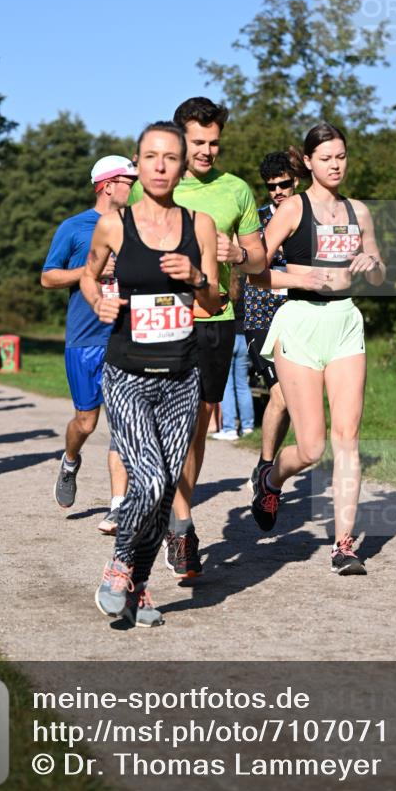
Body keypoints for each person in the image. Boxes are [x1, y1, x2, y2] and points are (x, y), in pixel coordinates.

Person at [81, 121, 220, 626]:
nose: (160, 166)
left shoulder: (199, 224)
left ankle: (137, 588)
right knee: (151, 475)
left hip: (182, 376)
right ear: (137, 166)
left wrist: (198, 277)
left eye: (170, 158)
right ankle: (119, 565)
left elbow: (214, 299)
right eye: (151, 157)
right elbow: (89, 275)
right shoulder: (115, 225)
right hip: (127, 373)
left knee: (162, 489)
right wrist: (98, 301)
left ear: (182, 167)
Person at [130, 97, 266, 577]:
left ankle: (178, 522)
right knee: (156, 422)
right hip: (159, 321)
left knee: (195, 426)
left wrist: (238, 253)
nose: (207, 152)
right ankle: (166, 512)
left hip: (214, 319)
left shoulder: (235, 191)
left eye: (214, 143)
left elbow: (260, 260)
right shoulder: (151, 186)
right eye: (198, 142)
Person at [254, 123, 385, 574]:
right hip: (301, 321)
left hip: (345, 321)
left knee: (346, 437)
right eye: (326, 158)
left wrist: (373, 264)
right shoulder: (291, 209)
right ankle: (270, 479)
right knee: (310, 448)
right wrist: (300, 277)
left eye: (341, 156)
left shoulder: (359, 212)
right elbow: (257, 273)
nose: (336, 165)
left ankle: (344, 544)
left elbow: (380, 273)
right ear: (308, 162)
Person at [41, 156, 136, 530]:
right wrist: (90, 271)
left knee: (124, 423)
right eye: (129, 179)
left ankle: (118, 503)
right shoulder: (75, 227)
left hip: (125, 335)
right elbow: (48, 278)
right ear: (108, 184)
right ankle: (69, 460)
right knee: (85, 421)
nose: (136, 185)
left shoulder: (140, 226)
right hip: (84, 337)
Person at [243, 152, 299, 487]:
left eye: (284, 184)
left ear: (296, 181)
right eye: (271, 186)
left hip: (300, 315)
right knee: (281, 393)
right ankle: (266, 468)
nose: (277, 191)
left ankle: (265, 466)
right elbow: (246, 260)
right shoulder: (258, 219)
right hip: (262, 315)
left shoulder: (310, 217)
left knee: (292, 402)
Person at [210, 271, 254, 439]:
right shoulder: (249, 280)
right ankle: (248, 426)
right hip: (245, 336)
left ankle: (229, 428)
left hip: (228, 335)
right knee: (243, 384)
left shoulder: (225, 281)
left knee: (227, 384)